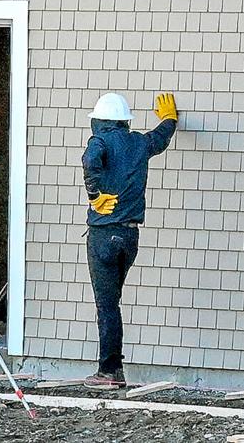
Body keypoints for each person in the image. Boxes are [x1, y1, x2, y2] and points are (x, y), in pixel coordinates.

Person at [82, 92, 177, 388]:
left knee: (107, 306)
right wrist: (170, 119)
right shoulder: (137, 143)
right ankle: (115, 370)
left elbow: (89, 160)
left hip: (103, 235)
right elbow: (159, 139)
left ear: (98, 122)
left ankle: (109, 372)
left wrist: (94, 196)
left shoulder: (100, 141)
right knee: (114, 304)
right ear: (125, 121)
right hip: (129, 236)